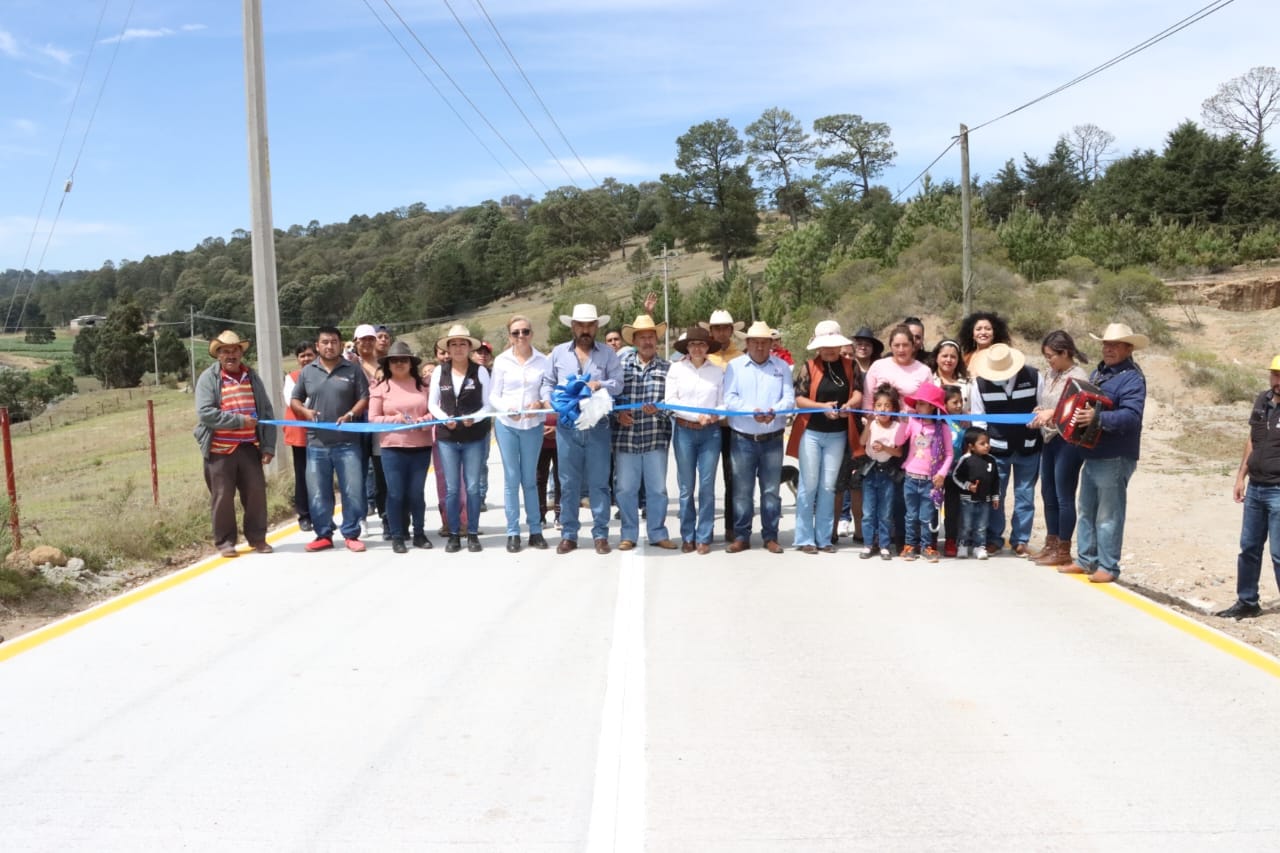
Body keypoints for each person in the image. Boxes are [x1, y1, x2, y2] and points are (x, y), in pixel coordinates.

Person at [1060, 322, 1148, 583]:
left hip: (1115, 454)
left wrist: (1097, 418)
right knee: (1087, 509)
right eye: (1106, 344)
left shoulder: (1132, 378)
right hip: (1094, 452)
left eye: (1115, 345)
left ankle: (1108, 566)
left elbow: (1132, 417)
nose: (1108, 349)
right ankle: (1087, 559)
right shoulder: (1099, 374)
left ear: (1128, 348)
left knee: (1108, 514)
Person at [541, 303, 622, 555]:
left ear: (597, 326)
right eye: (581, 325)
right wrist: (548, 400)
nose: (585, 330)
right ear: (573, 327)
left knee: (599, 483)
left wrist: (600, 384)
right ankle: (569, 534)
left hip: (598, 425)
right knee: (568, 482)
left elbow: (618, 384)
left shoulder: (608, 354)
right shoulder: (557, 353)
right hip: (567, 427)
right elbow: (547, 383)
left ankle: (600, 534)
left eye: (590, 325)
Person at [195, 330, 277, 558]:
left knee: (256, 493)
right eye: (225, 351)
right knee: (222, 497)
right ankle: (225, 541)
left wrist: (268, 446)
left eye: (234, 350)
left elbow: (267, 412)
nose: (230, 355)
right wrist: (240, 421)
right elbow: (205, 414)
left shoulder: (252, 376)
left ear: (241, 353)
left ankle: (258, 538)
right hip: (219, 449)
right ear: (218, 355)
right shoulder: (208, 378)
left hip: (249, 447)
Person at [290, 325, 369, 552]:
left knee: (352, 490)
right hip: (316, 444)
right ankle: (323, 534)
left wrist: (351, 414)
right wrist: (304, 412)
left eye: (334, 341)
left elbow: (364, 397)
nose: (329, 346)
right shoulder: (308, 372)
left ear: (340, 343)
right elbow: (295, 400)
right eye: (324, 342)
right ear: (318, 346)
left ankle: (351, 533)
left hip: (348, 442)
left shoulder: (353, 369)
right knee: (317, 493)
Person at [723, 320, 795, 554]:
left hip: (772, 438)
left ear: (771, 344)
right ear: (748, 343)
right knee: (742, 491)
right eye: (755, 342)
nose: (760, 346)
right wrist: (751, 411)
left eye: (765, 342)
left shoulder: (782, 367)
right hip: (743, 438)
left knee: (771, 491)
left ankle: (770, 536)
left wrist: (774, 411)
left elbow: (789, 399)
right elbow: (730, 398)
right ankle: (742, 535)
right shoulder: (734, 367)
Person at [1216, 355, 1280, 619]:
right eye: (1274, 374)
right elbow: (1252, 440)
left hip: (1278, 489)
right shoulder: (1262, 401)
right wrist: (1240, 476)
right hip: (1255, 487)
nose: (1276, 380)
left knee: (1279, 553)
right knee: (1249, 547)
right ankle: (1247, 601)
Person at [790, 320, 861, 554]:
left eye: (833, 345)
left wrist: (849, 405)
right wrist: (821, 406)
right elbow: (799, 398)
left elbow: (859, 392)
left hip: (838, 434)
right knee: (808, 485)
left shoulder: (852, 366)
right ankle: (804, 538)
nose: (830, 349)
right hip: (811, 433)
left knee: (828, 486)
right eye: (825, 345)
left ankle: (823, 537)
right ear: (818, 347)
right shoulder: (808, 367)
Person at [969, 342, 1042, 556]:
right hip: (996, 450)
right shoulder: (980, 384)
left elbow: (1041, 409)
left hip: (1028, 447)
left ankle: (1020, 540)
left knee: (1025, 495)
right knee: (995, 496)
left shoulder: (1035, 377)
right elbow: (979, 419)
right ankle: (994, 538)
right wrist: (981, 450)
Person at [864, 325, 933, 552]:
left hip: (912, 437)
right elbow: (867, 401)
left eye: (906, 345)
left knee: (903, 492)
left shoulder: (923, 371)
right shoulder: (879, 366)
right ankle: (874, 539)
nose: (901, 349)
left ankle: (904, 539)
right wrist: (872, 425)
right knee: (876, 492)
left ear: (914, 345)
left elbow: (928, 404)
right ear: (890, 346)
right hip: (880, 434)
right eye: (896, 345)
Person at [1027, 330, 1091, 567]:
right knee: (1048, 494)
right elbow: (1047, 402)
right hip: (1049, 439)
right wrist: (1040, 412)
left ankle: (1063, 548)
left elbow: (1077, 408)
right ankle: (1051, 543)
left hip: (1068, 441)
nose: (1049, 360)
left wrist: (1052, 413)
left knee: (1064, 496)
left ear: (1066, 353)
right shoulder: (1051, 373)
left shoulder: (1078, 377)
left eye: (1052, 356)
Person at [613, 314, 676, 550]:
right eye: (642, 337)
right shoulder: (620, 367)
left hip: (655, 438)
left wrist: (658, 412)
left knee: (657, 490)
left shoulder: (669, 369)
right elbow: (609, 399)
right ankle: (628, 534)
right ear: (635, 341)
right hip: (625, 438)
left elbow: (673, 404)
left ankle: (657, 533)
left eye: (651, 337)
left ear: (657, 340)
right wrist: (617, 415)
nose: (647, 341)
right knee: (625, 489)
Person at [490, 315, 551, 552]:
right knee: (511, 479)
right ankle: (513, 532)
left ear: (532, 334)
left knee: (530, 479)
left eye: (525, 331)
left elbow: (547, 389)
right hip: (507, 425)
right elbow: (494, 395)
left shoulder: (542, 360)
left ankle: (535, 530)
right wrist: (507, 409)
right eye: (516, 333)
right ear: (510, 337)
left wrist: (540, 403)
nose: (521, 336)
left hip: (533, 426)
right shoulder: (502, 361)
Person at [429, 324, 492, 554]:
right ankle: (454, 533)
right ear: (448, 347)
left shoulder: (480, 371)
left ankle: (473, 533)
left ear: (469, 347)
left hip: (474, 436)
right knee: (452, 488)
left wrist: (474, 419)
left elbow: (488, 404)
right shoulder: (439, 372)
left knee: (474, 487)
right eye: (453, 344)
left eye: (462, 343)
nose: (457, 348)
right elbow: (432, 404)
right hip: (447, 437)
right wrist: (445, 418)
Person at [369, 340, 433, 553]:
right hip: (392, 447)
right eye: (394, 360)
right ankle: (397, 535)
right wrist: (394, 420)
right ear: (387, 364)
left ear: (410, 362)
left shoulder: (423, 386)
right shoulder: (380, 388)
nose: (399, 363)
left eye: (403, 360)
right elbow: (372, 419)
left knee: (417, 493)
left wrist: (424, 419)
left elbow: (435, 412)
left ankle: (420, 533)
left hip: (421, 446)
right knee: (395, 493)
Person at [664, 326, 723, 554]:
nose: (697, 348)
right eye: (693, 344)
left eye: (701, 344)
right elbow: (671, 401)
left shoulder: (717, 372)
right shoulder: (676, 370)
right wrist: (695, 415)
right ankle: (687, 534)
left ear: (708, 347)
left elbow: (724, 402)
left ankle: (704, 536)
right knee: (686, 486)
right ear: (686, 348)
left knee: (707, 487)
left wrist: (715, 414)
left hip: (711, 433)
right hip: (685, 430)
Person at [900, 382, 953, 562]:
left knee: (926, 516)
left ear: (932, 407)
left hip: (931, 480)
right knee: (911, 516)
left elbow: (949, 454)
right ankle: (909, 546)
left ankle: (927, 546)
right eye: (917, 403)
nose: (918, 406)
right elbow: (899, 440)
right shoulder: (914, 423)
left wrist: (942, 474)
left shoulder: (942, 428)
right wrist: (903, 422)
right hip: (911, 477)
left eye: (922, 403)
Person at [704, 309, 745, 542]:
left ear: (731, 330)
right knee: (707, 479)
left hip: (732, 427)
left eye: (725, 328)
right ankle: (706, 529)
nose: (721, 332)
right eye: (717, 328)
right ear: (711, 331)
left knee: (734, 478)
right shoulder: (702, 356)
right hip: (707, 426)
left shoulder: (740, 357)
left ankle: (732, 526)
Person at [859, 383, 906, 560]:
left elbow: (899, 451)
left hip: (887, 472)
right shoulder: (871, 424)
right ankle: (868, 544)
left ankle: (885, 545)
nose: (883, 409)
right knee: (869, 512)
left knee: (885, 512)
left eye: (887, 406)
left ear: (893, 407)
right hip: (870, 471)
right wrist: (869, 424)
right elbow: (863, 443)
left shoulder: (896, 427)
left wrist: (885, 447)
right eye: (879, 405)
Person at [352, 323, 386, 536]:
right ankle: (360, 516)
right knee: (358, 471)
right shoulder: (348, 363)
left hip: (378, 422)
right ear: (355, 341)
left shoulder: (383, 365)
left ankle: (385, 516)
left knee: (381, 471)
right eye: (362, 339)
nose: (366, 343)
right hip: (356, 422)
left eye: (370, 339)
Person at [281, 340, 316, 532]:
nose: (306, 359)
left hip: (322, 432)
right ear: (297, 360)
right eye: (302, 356)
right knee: (302, 474)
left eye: (309, 355)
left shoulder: (323, 375)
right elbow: (292, 400)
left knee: (321, 474)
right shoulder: (292, 378)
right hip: (300, 434)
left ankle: (321, 513)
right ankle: (304, 515)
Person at [952, 427, 1001, 559]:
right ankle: (963, 545)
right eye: (982, 443)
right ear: (971, 446)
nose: (987, 446)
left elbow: (996, 480)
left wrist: (995, 497)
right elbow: (956, 476)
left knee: (981, 526)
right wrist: (968, 486)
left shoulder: (991, 460)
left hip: (985, 499)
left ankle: (979, 547)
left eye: (987, 443)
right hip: (967, 499)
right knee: (966, 525)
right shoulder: (966, 459)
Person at [931, 338, 970, 411]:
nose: (948, 360)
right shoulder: (929, 381)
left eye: (953, 357)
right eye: (945, 356)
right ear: (936, 358)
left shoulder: (968, 384)